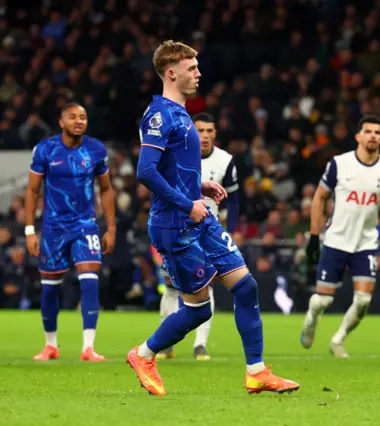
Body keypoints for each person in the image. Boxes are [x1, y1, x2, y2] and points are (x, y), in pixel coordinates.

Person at [127, 40, 299, 396]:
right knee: (199, 310)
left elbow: (170, 167)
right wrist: (187, 204)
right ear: (171, 73)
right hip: (174, 225)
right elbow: (145, 172)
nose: (198, 73)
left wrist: (198, 185)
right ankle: (144, 354)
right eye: (192, 68)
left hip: (197, 217)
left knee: (246, 286)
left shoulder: (182, 114)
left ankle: (256, 372)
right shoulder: (159, 115)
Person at [300, 115, 380, 357]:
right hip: (335, 240)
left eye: (377, 132)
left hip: (365, 243)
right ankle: (311, 320)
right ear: (358, 136)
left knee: (363, 300)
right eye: (368, 131)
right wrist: (314, 236)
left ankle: (338, 340)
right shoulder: (339, 164)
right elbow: (320, 197)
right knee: (323, 301)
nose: (373, 135)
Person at [25, 103, 116, 361]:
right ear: (61, 122)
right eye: (73, 117)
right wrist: (31, 231)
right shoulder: (45, 149)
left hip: (86, 224)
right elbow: (32, 191)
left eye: (83, 117)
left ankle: (88, 347)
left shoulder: (96, 149)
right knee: (50, 287)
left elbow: (106, 189)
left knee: (90, 281)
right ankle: (50, 345)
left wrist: (111, 227)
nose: (79, 121)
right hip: (53, 227)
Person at [157, 112, 239, 361]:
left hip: (207, 232)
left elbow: (233, 201)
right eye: (200, 130)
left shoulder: (226, 161)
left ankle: (200, 345)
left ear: (215, 133)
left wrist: (230, 230)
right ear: (192, 131)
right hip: (177, 228)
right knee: (172, 288)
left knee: (207, 285)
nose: (205, 136)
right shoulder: (177, 154)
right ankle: (167, 345)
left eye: (209, 131)